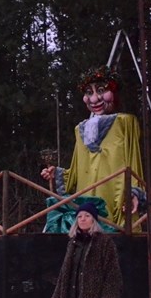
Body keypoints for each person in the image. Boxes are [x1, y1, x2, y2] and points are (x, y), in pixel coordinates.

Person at [41, 65, 145, 228]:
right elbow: (76, 172)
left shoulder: (124, 122)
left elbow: (134, 162)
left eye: (101, 91)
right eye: (89, 93)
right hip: (87, 203)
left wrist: (133, 191)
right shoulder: (80, 130)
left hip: (115, 199)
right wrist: (58, 174)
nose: (95, 99)